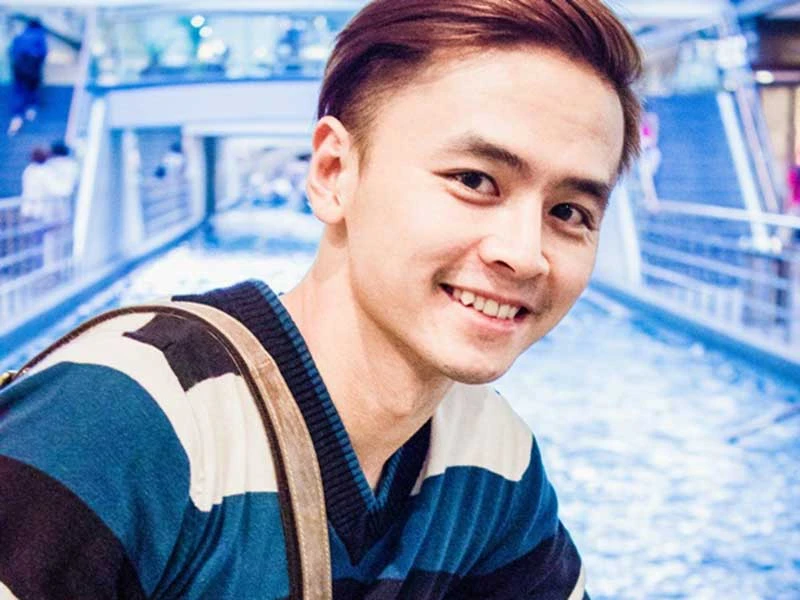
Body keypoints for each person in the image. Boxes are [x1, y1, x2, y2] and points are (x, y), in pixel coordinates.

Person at [0, 0, 642, 597]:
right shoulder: (123, 419)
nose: (525, 253)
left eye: (570, 212)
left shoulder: (492, 461)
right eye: (474, 180)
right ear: (334, 173)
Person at [6, 18, 48, 137]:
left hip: (18, 66)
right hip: (32, 65)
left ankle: (16, 117)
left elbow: (11, 51)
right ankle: (31, 110)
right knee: (32, 88)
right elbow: (43, 52)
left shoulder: (19, 36)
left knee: (19, 90)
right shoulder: (39, 35)